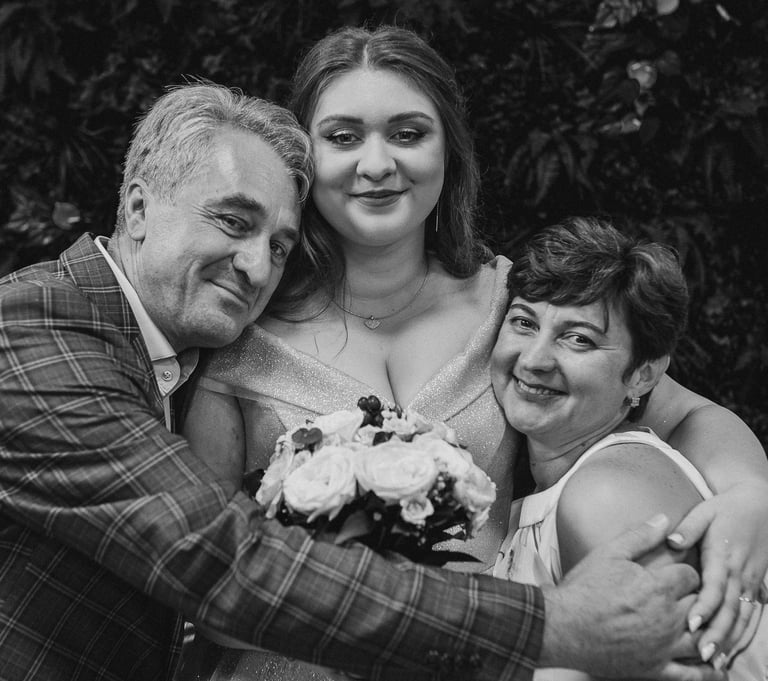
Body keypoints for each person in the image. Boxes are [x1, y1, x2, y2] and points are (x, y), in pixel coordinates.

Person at [0, 82, 724, 681]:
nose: (256, 265)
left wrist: (751, 497)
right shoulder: (34, 330)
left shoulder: (169, 349)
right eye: (232, 221)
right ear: (136, 208)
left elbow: (660, 400)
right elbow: (220, 560)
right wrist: (555, 625)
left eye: (279, 244)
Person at [181, 25, 768, 680]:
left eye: (408, 133)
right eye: (343, 137)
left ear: (449, 150)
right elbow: (208, 586)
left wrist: (751, 495)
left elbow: (682, 412)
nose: (377, 165)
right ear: (303, 157)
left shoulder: (514, 307)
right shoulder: (240, 337)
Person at [491, 216, 768, 680]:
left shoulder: (606, 493)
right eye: (523, 322)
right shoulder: (554, 488)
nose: (534, 360)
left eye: (579, 339)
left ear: (643, 375)